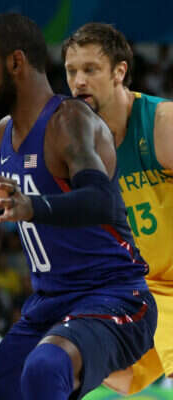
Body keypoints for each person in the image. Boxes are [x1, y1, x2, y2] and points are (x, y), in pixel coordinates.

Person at [0, 13, 157, 400]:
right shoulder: (3, 133)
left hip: (114, 295)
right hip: (49, 305)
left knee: (46, 366)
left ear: (15, 62)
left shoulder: (70, 120)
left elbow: (99, 199)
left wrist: (33, 206)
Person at [62, 22, 173, 395]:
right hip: (140, 287)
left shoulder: (162, 123)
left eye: (90, 69)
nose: (78, 81)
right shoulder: (76, 143)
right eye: (71, 71)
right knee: (96, 368)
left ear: (119, 71)